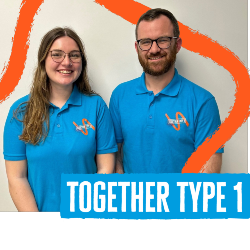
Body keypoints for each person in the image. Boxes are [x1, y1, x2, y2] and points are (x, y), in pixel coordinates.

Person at [3, 27, 118, 212]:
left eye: (74, 55)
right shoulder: (20, 111)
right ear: (43, 60)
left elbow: (105, 170)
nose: (67, 62)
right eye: (57, 54)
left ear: (82, 62)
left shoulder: (96, 106)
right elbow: (17, 178)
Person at [109, 8, 223, 174]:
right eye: (146, 42)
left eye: (163, 40)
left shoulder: (203, 102)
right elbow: (115, 155)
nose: (154, 50)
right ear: (137, 47)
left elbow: (208, 173)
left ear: (177, 45)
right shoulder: (120, 95)